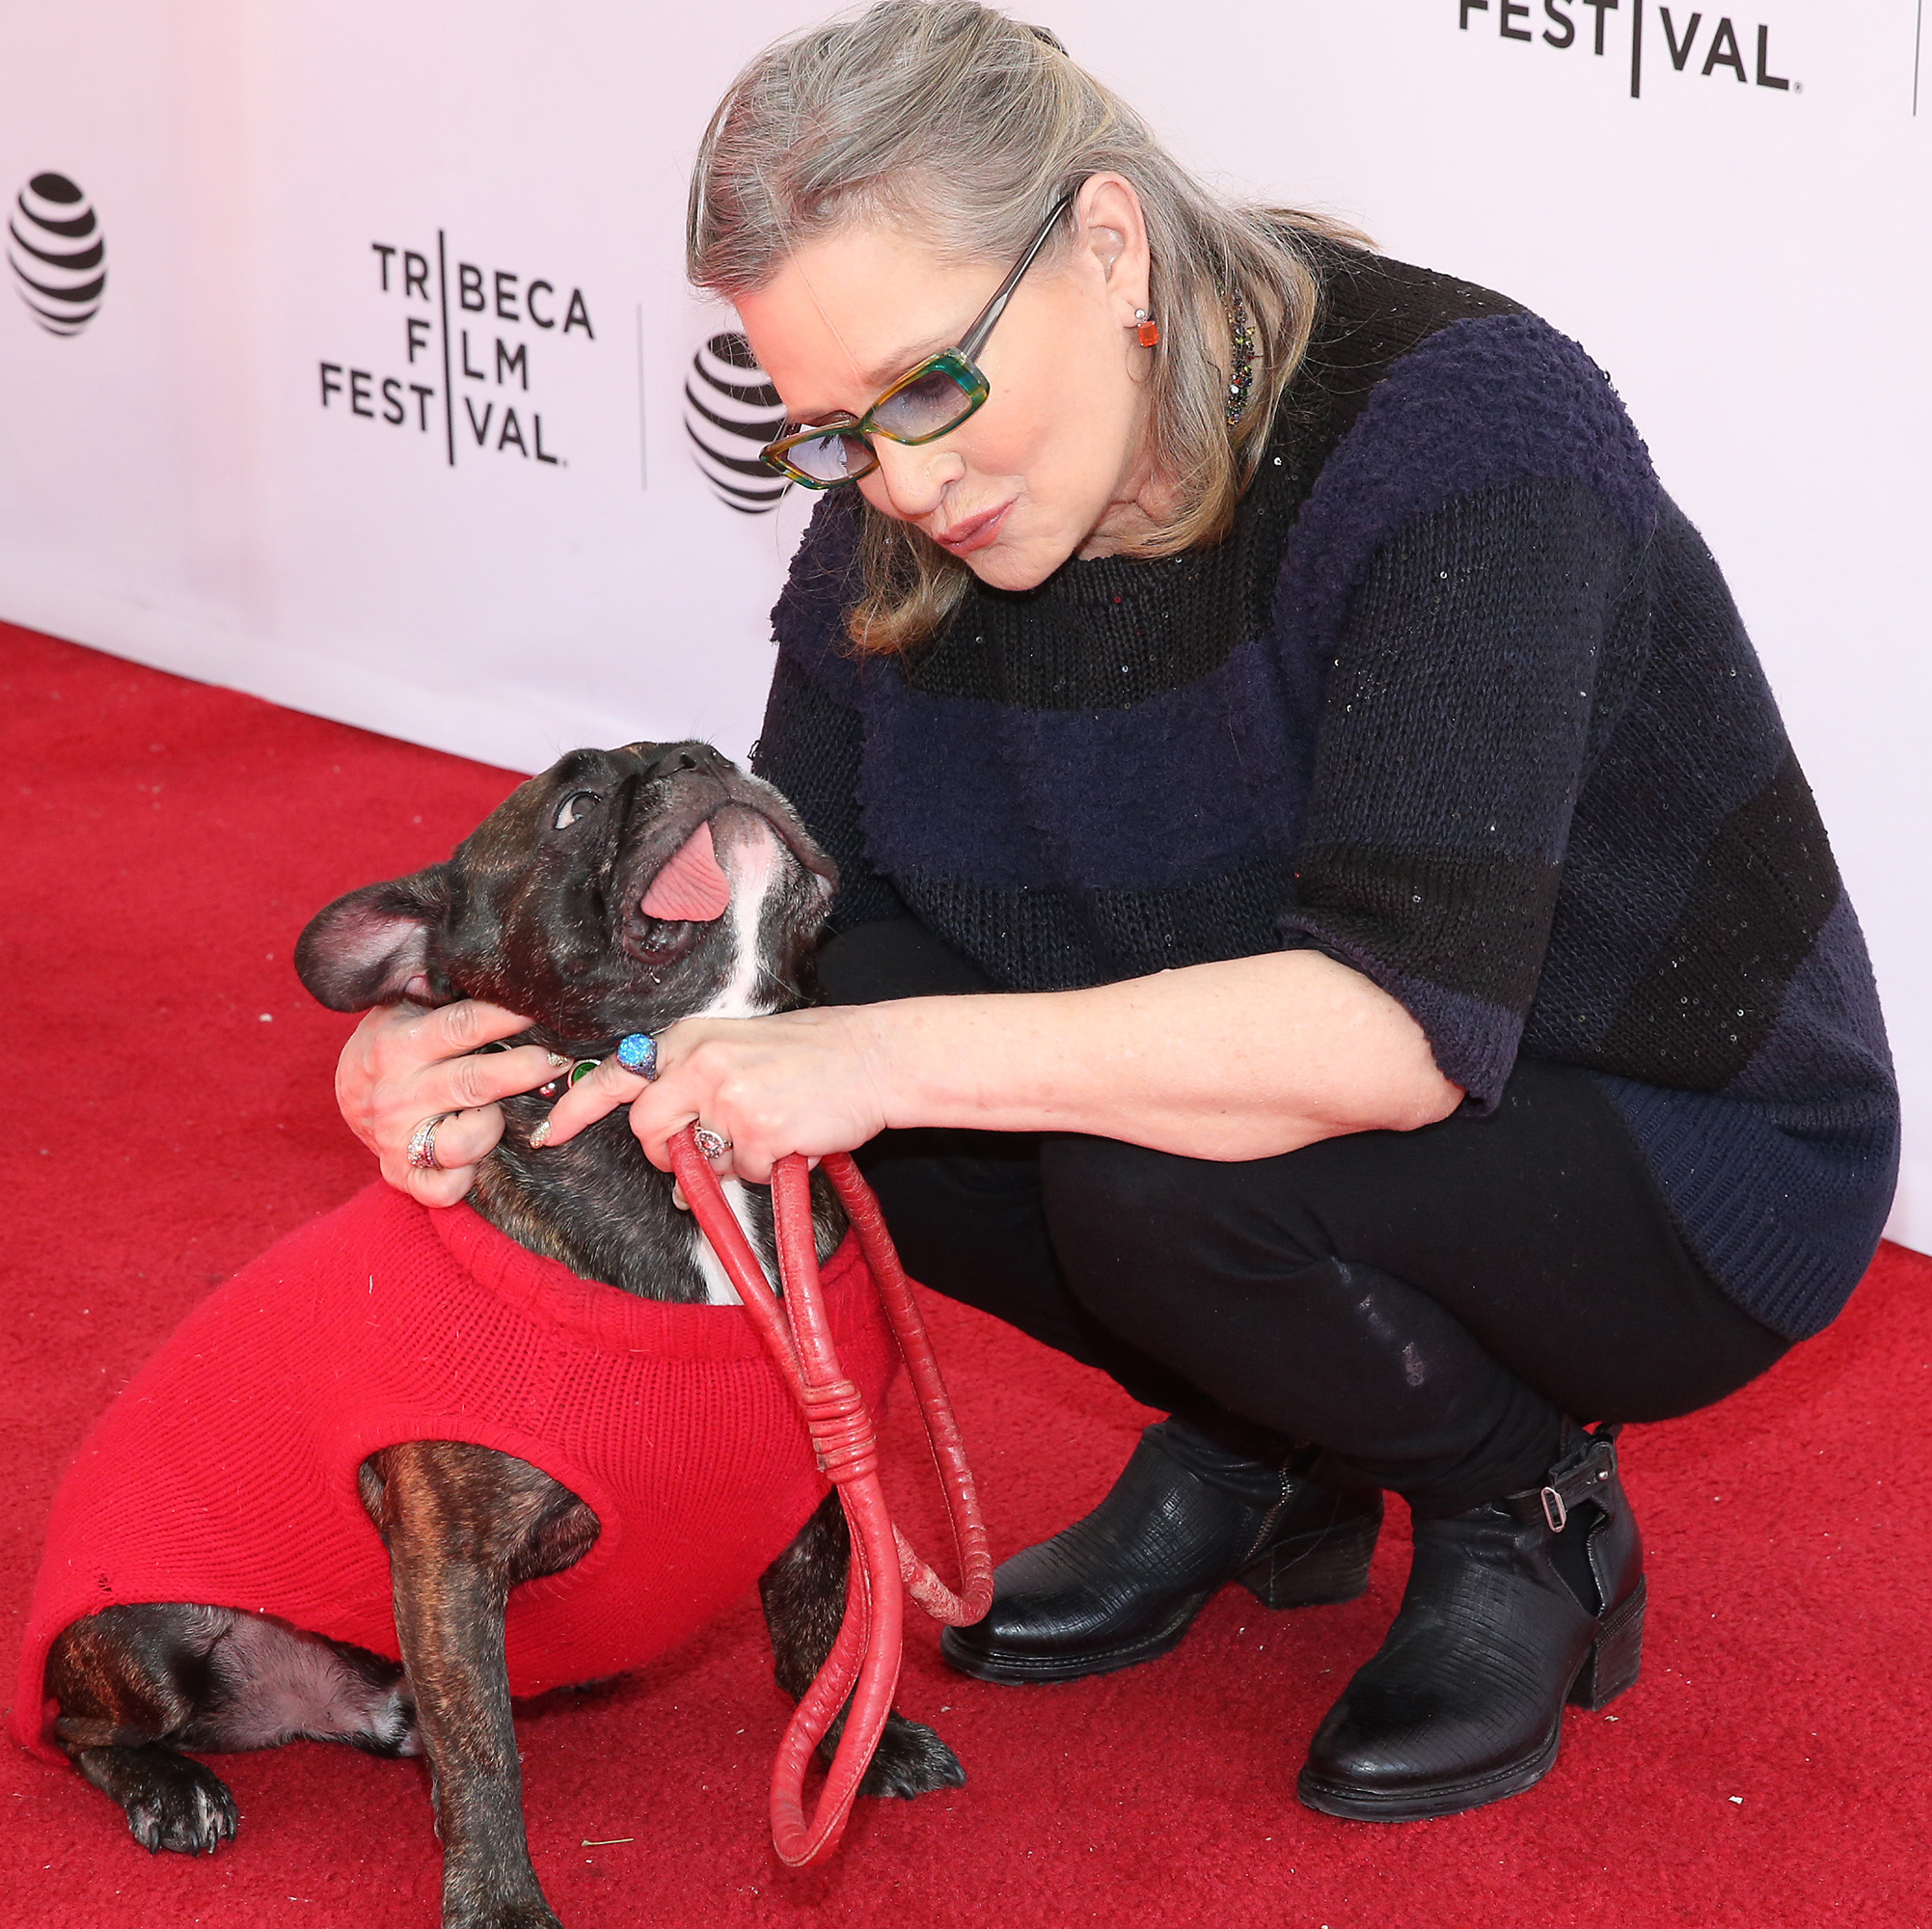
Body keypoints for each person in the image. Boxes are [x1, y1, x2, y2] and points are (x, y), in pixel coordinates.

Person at [334, 1, 1897, 1821]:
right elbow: (769, 931)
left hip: (1669, 1136)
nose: (905, 482)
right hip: (1280, 1074)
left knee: (1096, 1157)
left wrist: (876, 1055)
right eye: (836, 433)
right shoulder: (915, 511)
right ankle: (1271, 1434)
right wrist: (460, 1038)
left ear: (1106, 240)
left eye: (931, 388)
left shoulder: (1463, 426)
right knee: (819, 1065)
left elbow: (1390, 1034)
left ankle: (1522, 1503)